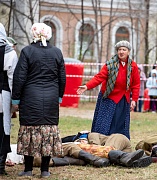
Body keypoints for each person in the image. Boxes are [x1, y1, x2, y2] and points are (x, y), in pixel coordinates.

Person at [11, 23, 66, 178]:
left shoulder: (27, 51)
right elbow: (62, 77)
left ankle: (28, 169)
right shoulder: (57, 52)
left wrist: (16, 98)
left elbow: (20, 77)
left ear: (33, 34)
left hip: (30, 97)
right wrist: (59, 96)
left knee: (29, 130)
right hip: (50, 98)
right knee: (48, 132)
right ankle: (45, 170)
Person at [77, 40, 140, 139]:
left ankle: (119, 142)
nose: (121, 52)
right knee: (104, 124)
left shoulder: (133, 66)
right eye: (119, 49)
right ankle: (101, 141)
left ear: (128, 52)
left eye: (124, 49)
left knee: (120, 123)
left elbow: (136, 84)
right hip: (108, 98)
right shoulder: (110, 65)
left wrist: (134, 100)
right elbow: (99, 77)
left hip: (123, 99)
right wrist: (87, 86)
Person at [33, 132, 152, 168]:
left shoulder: (89, 136)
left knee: (105, 149)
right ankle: (130, 161)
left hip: (117, 141)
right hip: (115, 154)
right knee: (84, 158)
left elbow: (93, 138)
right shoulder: (72, 148)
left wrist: (84, 140)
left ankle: (123, 158)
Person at [0, 23, 18, 176]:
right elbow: (12, 79)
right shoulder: (9, 53)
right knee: (4, 126)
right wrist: (15, 100)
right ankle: (0, 165)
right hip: (3, 94)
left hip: (3, 92)